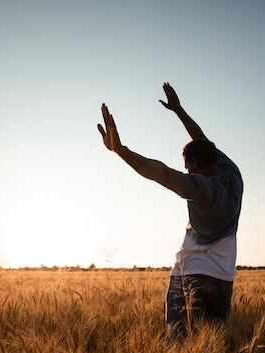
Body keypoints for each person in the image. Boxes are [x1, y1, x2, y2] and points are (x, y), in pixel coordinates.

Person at [97, 83, 243, 338]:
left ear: (195, 165)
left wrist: (121, 151)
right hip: (223, 278)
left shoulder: (200, 186)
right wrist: (179, 111)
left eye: (187, 167)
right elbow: (201, 140)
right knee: (213, 351)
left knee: (179, 350)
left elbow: (161, 173)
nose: (186, 171)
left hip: (190, 275)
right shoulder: (233, 174)